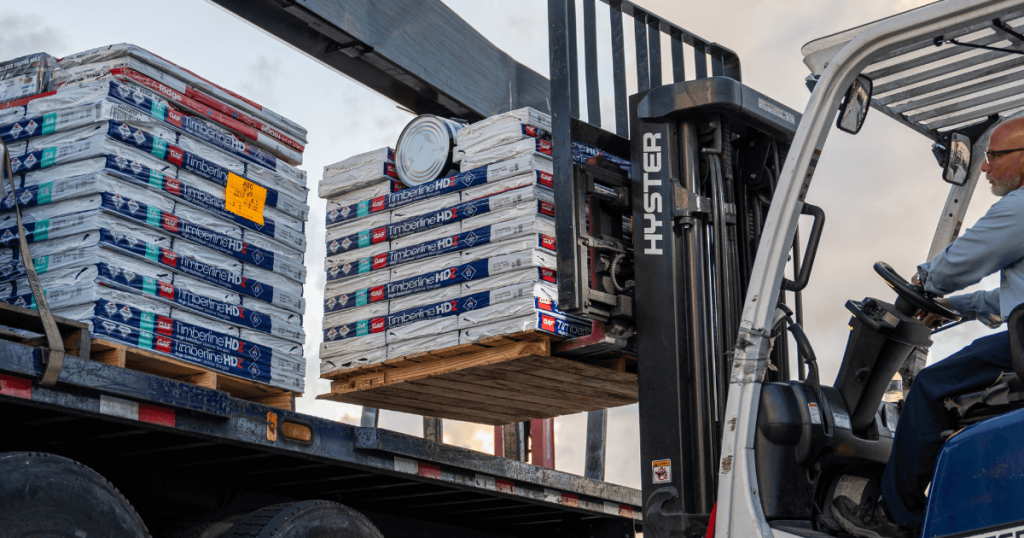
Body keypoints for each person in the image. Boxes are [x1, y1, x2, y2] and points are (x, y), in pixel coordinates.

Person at [832, 116, 1024, 538]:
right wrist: (958, 307)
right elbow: (1012, 299)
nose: (987, 168)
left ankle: (894, 518)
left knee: (932, 389)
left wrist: (927, 283)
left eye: (993, 157)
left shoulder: (1020, 207)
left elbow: (958, 263)